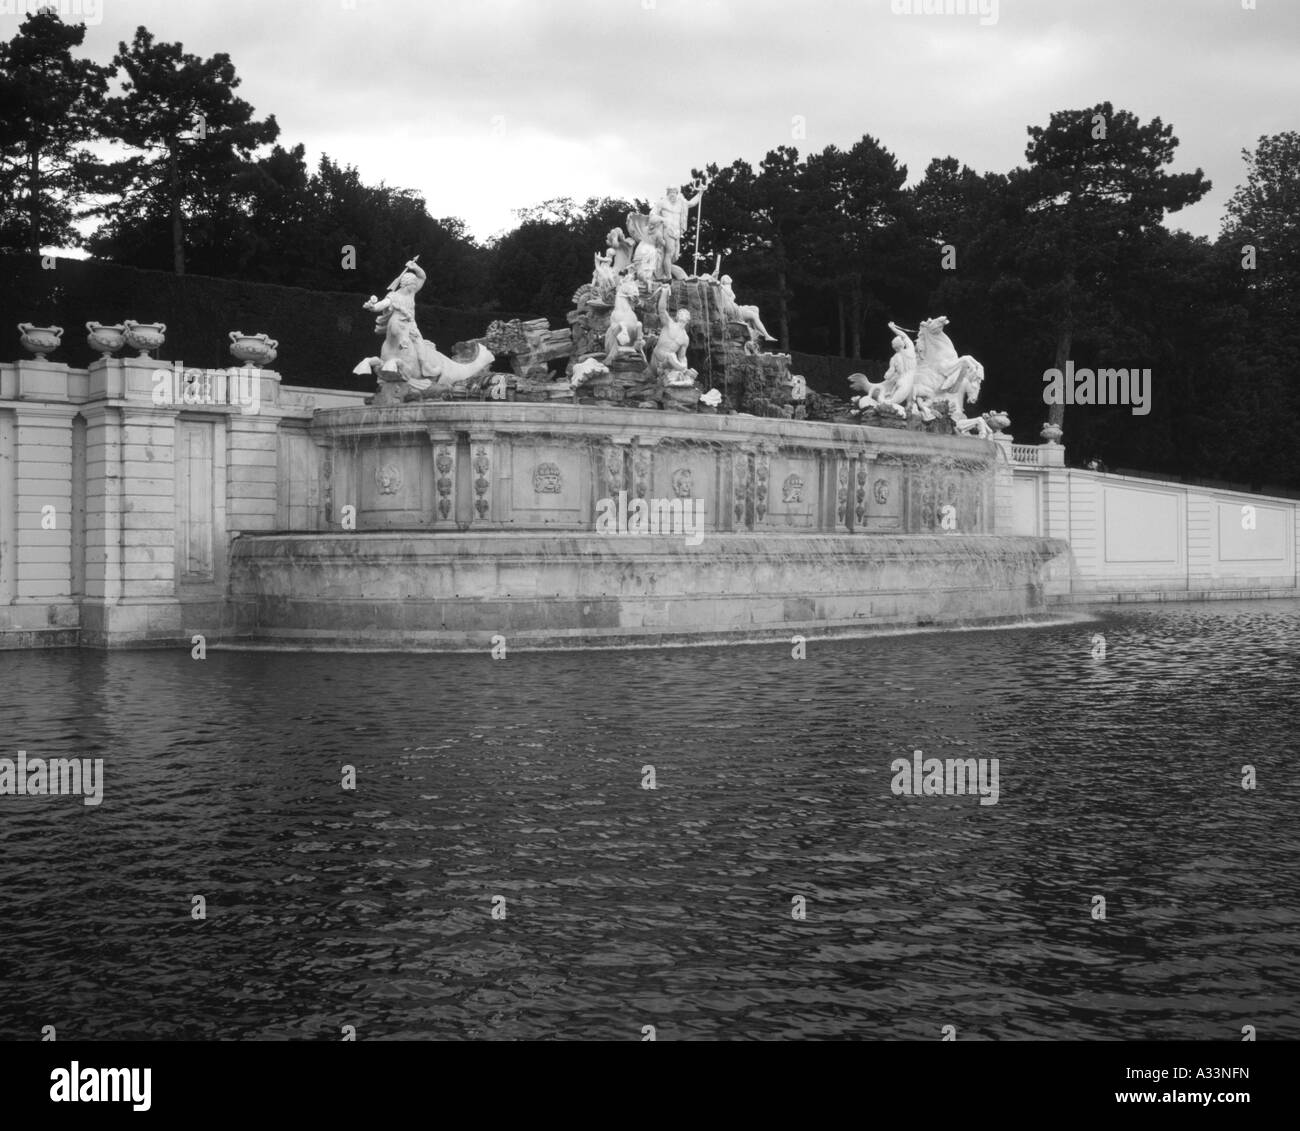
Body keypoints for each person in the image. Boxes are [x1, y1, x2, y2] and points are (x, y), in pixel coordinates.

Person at [652, 182, 705, 279]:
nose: (672, 194)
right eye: (670, 192)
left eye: (674, 192)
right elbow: (652, 215)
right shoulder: (662, 203)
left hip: (677, 232)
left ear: (677, 193)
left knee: (675, 256)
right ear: (667, 193)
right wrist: (662, 220)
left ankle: (664, 270)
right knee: (669, 253)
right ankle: (668, 276)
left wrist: (700, 193)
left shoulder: (682, 203)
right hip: (667, 230)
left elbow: (692, 203)